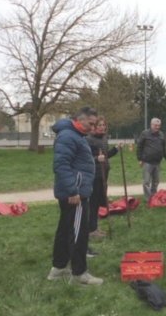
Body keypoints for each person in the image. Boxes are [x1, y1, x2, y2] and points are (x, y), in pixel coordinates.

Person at [47, 107, 103, 285]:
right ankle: (79, 274)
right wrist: (73, 190)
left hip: (74, 191)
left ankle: (58, 268)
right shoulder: (68, 136)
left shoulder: (75, 136)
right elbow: (61, 165)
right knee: (79, 233)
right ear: (80, 119)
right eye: (90, 123)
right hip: (75, 194)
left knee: (65, 230)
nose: (92, 128)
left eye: (95, 124)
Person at [86, 116, 120, 244]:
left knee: (100, 201)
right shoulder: (89, 139)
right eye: (99, 125)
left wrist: (116, 149)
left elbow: (105, 157)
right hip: (94, 175)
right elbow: (86, 158)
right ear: (94, 127)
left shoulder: (104, 139)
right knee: (93, 203)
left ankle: (95, 227)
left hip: (104, 174)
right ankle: (91, 230)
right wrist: (96, 159)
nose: (102, 127)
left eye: (103, 125)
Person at [136, 118, 166, 201]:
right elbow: (139, 146)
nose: (157, 127)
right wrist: (140, 159)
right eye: (155, 125)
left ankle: (154, 196)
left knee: (156, 181)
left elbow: (163, 148)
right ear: (151, 125)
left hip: (157, 162)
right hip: (147, 162)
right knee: (146, 182)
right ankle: (148, 198)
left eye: (159, 125)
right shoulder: (145, 133)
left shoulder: (161, 134)